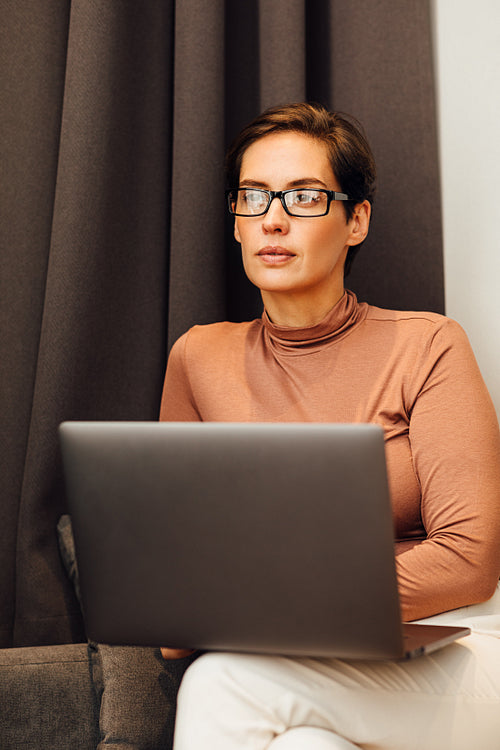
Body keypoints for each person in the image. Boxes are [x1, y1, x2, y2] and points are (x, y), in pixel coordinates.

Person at [159, 103, 500, 749]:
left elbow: (468, 561)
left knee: (224, 682)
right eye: (253, 197)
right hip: (293, 658)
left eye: (306, 197)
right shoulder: (198, 357)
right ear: (235, 221)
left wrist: (267, 607)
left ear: (356, 221)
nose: (274, 219)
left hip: (463, 643)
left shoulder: (428, 344)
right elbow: (183, 569)